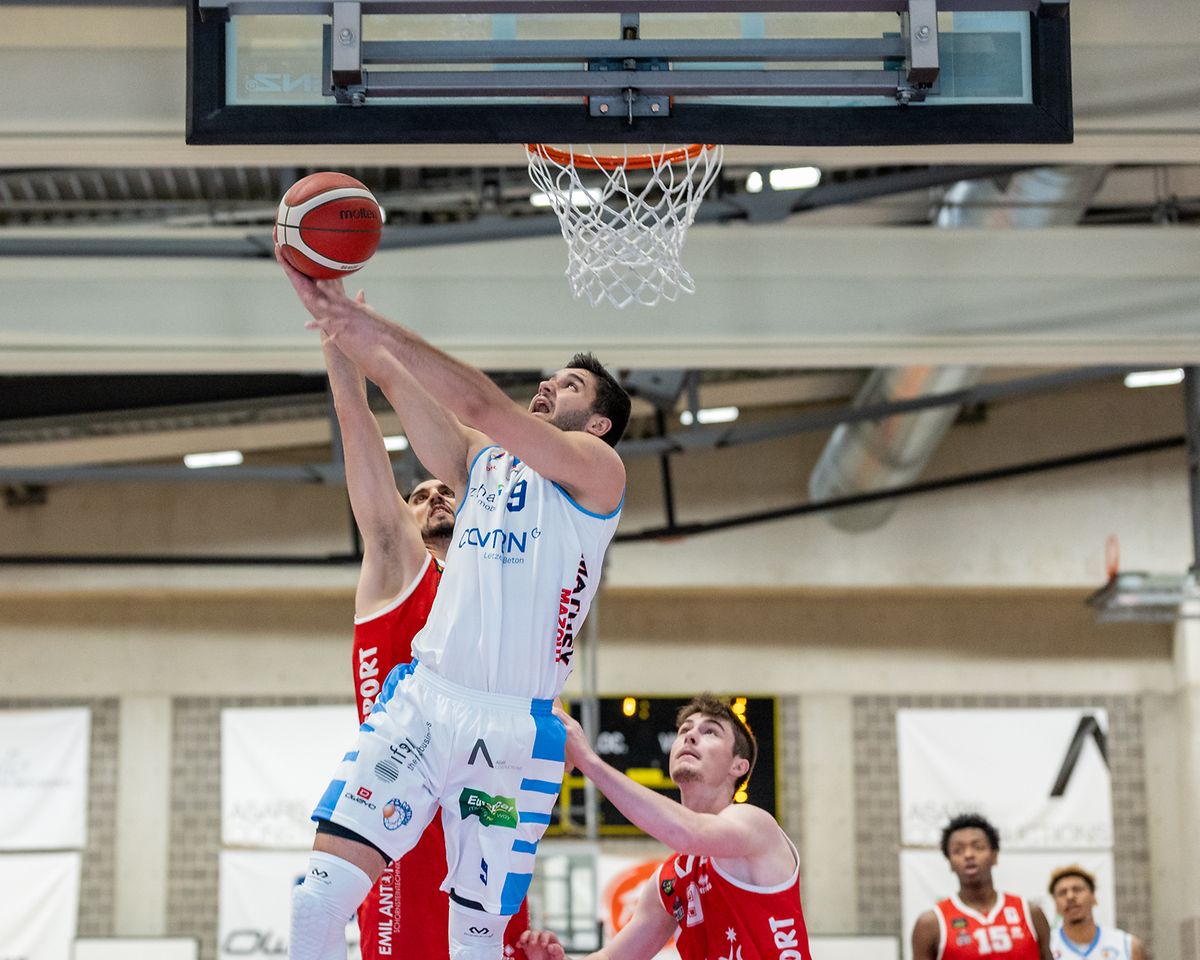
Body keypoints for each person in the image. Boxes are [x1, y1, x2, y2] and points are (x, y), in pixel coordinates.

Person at [281, 255, 631, 960]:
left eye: (569, 384)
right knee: (316, 895)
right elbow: (397, 382)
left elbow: (479, 405)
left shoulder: (599, 475)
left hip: (510, 740)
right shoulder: (479, 463)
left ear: (596, 423)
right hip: (425, 706)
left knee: (476, 941)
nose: (547, 385)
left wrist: (371, 322)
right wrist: (335, 320)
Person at [323, 336, 530, 959]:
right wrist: (341, 355)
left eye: (448, 489)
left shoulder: (494, 588)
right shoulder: (397, 567)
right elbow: (359, 438)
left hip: (488, 804)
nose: (436, 495)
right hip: (400, 804)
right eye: (419, 495)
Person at [519, 694, 810, 960]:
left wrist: (587, 760)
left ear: (739, 766)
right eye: (685, 730)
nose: (691, 736)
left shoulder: (754, 823)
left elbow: (687, 833)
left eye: (710, 731)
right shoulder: (670, 879)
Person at [911, 813, 1053, 960]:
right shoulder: (931, 923)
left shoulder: (1030, 913)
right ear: (950, 863)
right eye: (958, 850)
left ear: (994, 856)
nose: (968, 855)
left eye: (978, 847)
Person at [1048, 865, 1145, 960]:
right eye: (1062, 893)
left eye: (1077, 890)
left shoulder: (1127, 946)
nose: (1070, 897)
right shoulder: (1046, 947)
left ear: (1093, 896)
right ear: (1055, 903)